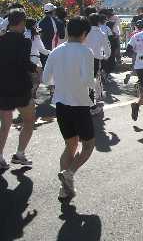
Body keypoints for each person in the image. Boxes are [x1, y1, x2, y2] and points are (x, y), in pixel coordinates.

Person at [42, 16, 96, 200]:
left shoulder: (56, 51)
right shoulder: (85, 51)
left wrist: (62, 79)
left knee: (70, 145)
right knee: (88, 145)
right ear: (84, 33)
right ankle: (70, 173)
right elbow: (88, 80)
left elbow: (45, 80)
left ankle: (64, 189)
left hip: (61, 104)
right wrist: (97, 86)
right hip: (80, 105)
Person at [0, 9, 37, 169]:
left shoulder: (1, 39)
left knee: (5, 124)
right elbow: (23, 64)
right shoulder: (24, 41)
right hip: (20, 88)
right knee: (29, 120)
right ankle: (19, 154)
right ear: (21, 23)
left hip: (2, 87)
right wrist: (36, 68)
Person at [84, 13, 111, 114]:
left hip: (82, 58)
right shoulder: (101, 33)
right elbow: (107, 48)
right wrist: (105, 56)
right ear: (99, 22)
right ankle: (92, 107)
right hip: (95, 60)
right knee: (91, 82)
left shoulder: (85, 32)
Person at [24, 18, 50, 101]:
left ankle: (29, 96)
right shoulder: (35, 35)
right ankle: (31, 96)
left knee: (28, 80)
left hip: (24, 60)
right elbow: (42, 50)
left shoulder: (23, 34)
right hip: (35, 60)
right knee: (37, 80)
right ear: (34, 25)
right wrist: (51, 52)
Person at [38, 3, 65, 67]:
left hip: (42, 51)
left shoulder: (40, 22)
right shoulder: (59, 22)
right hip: (55, 51)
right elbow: (62, 36)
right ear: (53, 11)